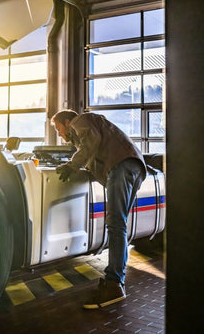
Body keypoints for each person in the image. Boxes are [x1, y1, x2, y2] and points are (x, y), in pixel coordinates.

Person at [50, 109, 147, 309]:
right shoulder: (92, 129)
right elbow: (92, 151)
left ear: (67, 122)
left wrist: (71, 166)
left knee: (116, 225)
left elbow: (89, 143)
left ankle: (114, 284)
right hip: (131, 167)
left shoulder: (81, 120)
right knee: (118, 225)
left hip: (122, 167)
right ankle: (115, 279)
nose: (60, 134)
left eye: (59, 128)